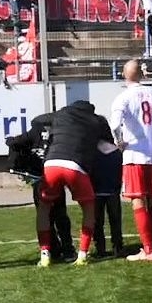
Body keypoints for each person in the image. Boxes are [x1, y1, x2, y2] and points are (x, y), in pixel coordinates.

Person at [35, 100, 114, 268]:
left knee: (44, 208)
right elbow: (109, 143)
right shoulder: (97, 121)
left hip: (51, 163)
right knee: (88, 209)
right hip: (76, 166)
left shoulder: (61, 114)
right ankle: (82, 254)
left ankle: (44, 254)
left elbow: (37, 120)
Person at [110, 59, 152, 262]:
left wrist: (119, 142)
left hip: (135, 155)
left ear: (123, 74)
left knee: (138, 199)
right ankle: (150, 244)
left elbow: (115, 124)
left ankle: (148, 249)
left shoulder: (123, 97)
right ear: (142, 74)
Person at [6, 114, 75, 261]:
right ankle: (68, 250)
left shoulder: (34, 132)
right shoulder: (58, 135)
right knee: (61, 215)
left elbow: (14, 142)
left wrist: (11, 142)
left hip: (39, 180)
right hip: (55, 178)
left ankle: (52, 250)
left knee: (44, 217)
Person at [91, 117, 125, 259]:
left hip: (96, 191)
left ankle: (100, 248)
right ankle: (118, 246)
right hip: (113, 191)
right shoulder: (117, 152)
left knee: (97, 222)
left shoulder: (91, 151)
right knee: (115, 220)